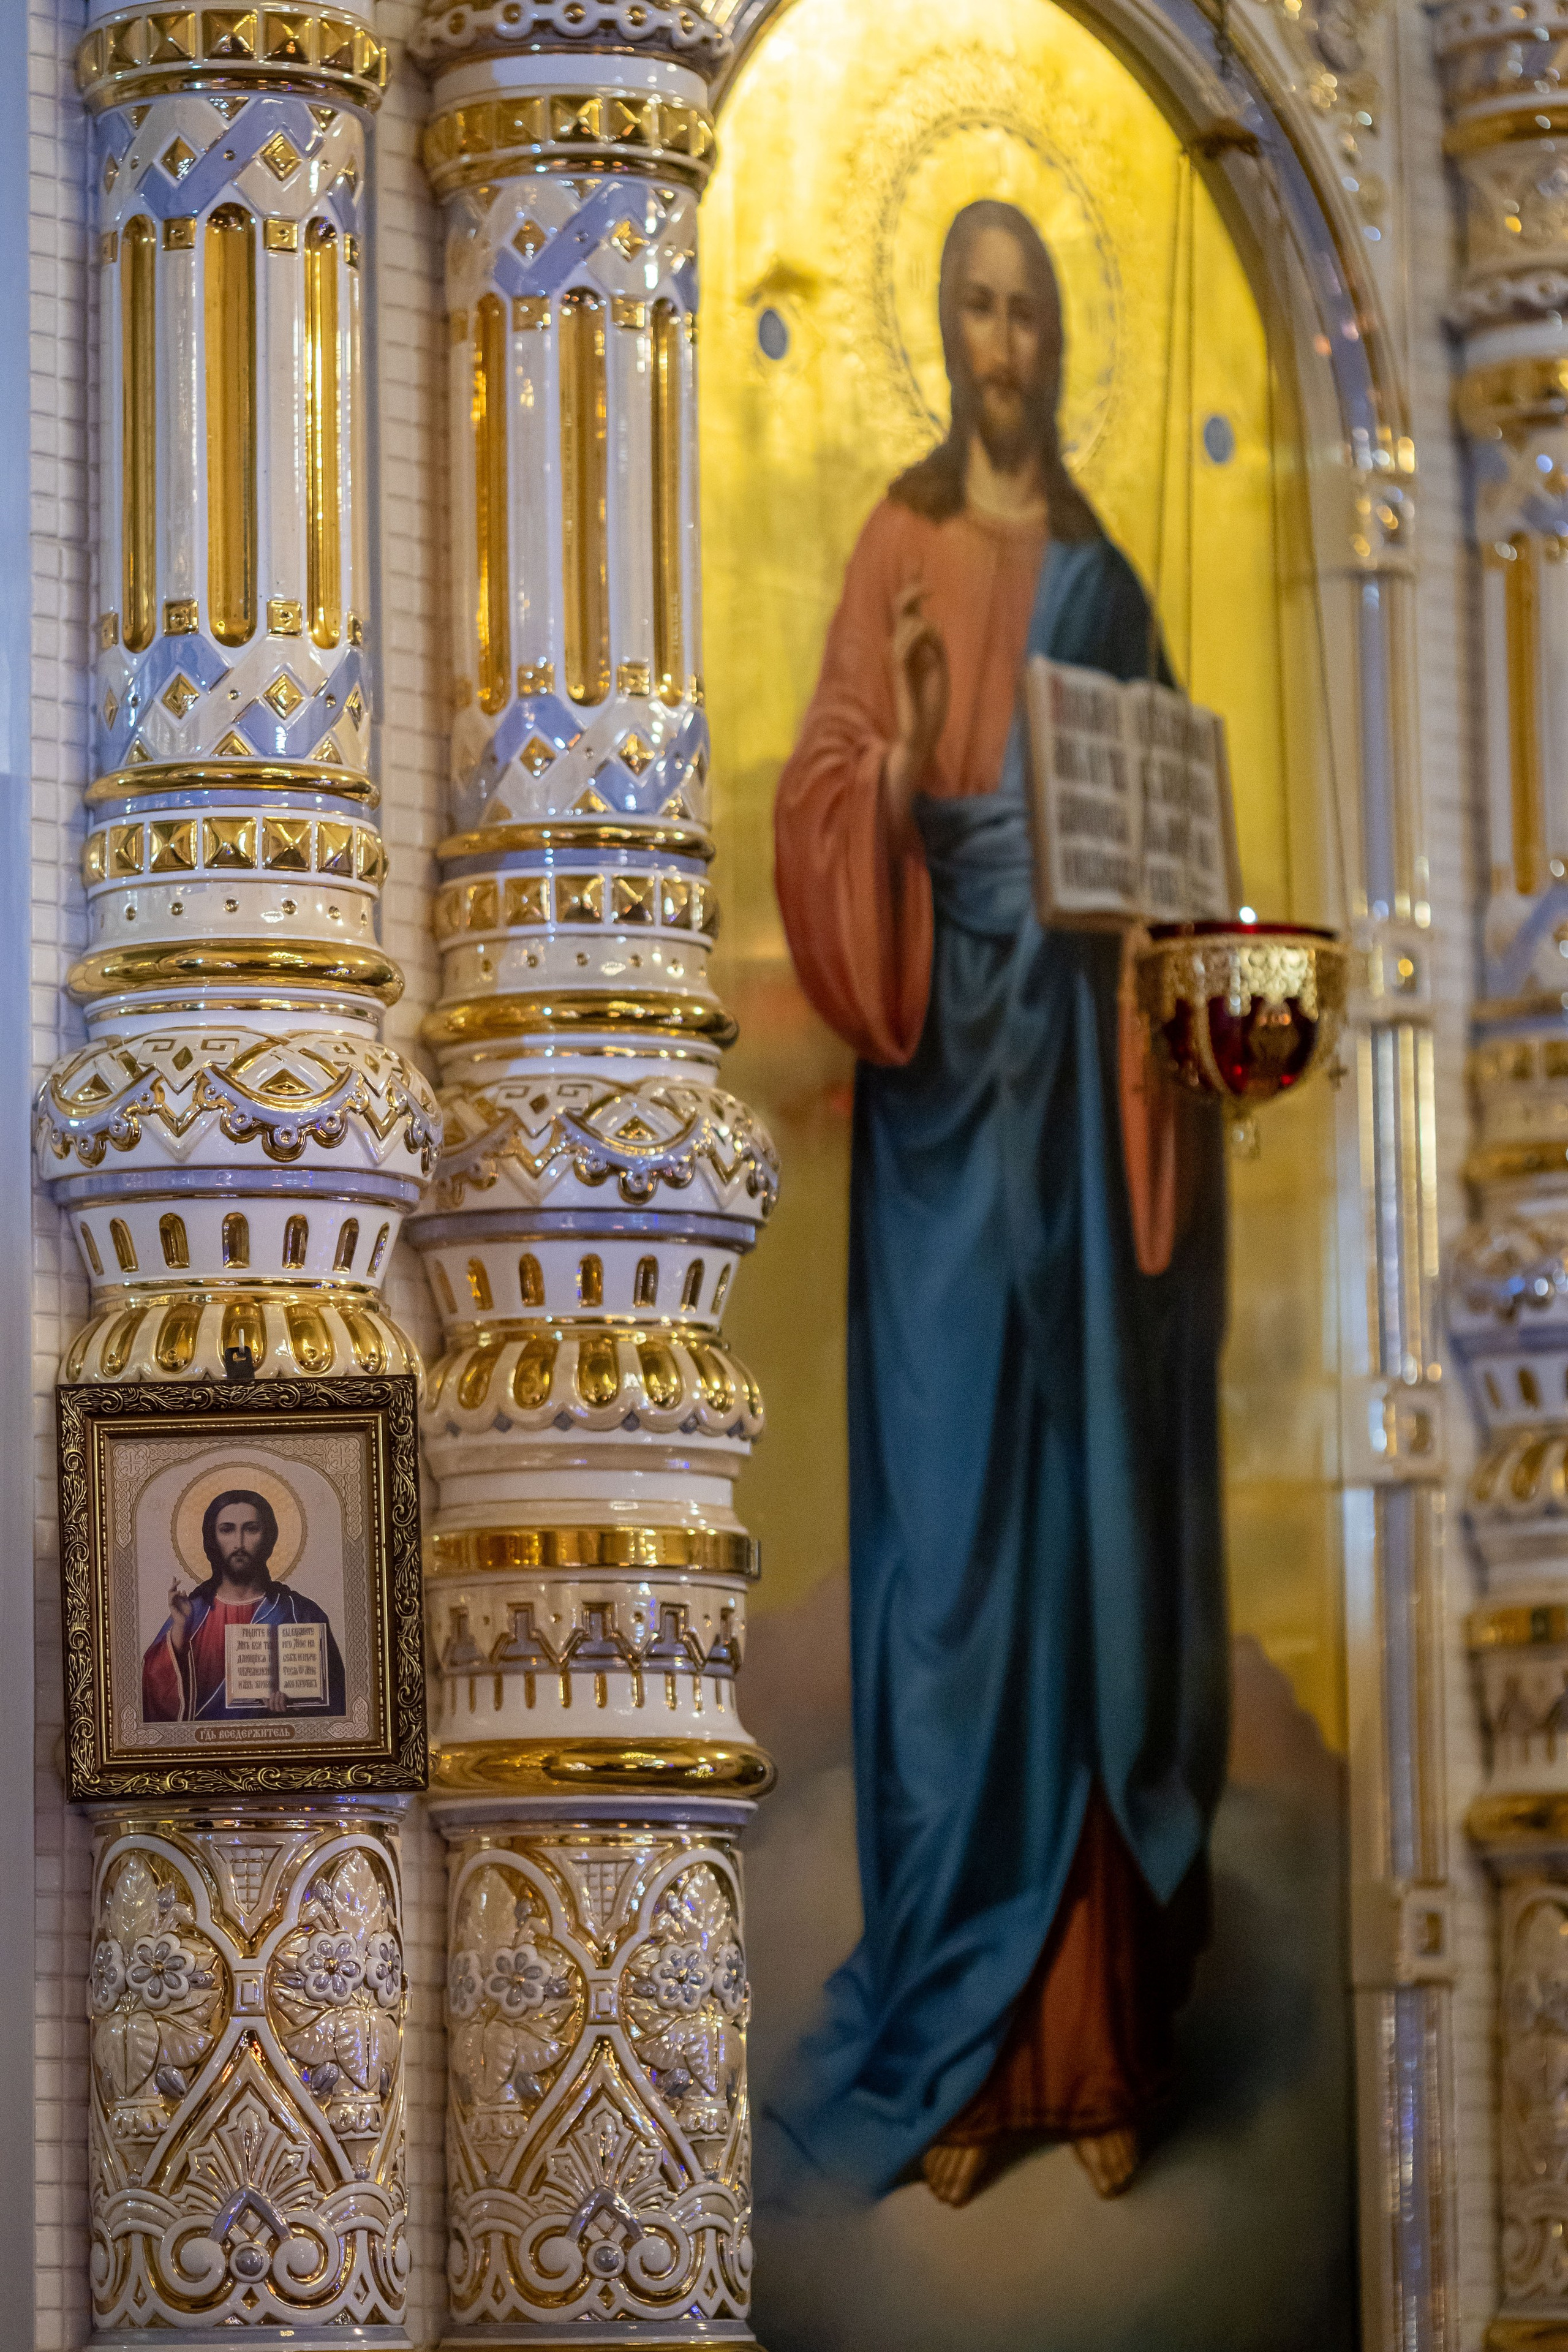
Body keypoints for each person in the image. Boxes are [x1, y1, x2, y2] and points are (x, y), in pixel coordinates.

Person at [771, 200, 1229, 2207]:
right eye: (976, 305)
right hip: (946, 1087)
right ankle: (960, 2061)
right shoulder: (894, 543)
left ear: (1062, 340)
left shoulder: (1113, 583)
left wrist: (1165, 955)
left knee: (1089, 1538)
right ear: (941, 334)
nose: (1006, 339)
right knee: (953, 1560)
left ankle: (1096, 2052)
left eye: (1034, 308)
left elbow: (1181, 868)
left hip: (1088, 1084)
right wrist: (889, 772)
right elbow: (826, 785)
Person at [141, 1488, 346, 1723]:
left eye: (251, 1529)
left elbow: (336, 1704)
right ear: (213, 1539)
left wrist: (297, 1706)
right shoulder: (192, 1612)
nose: (239, 1543)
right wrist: (179, 1631)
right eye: (227, 1530)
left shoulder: (300, 1613)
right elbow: (152, 1694)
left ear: (268, 1537)